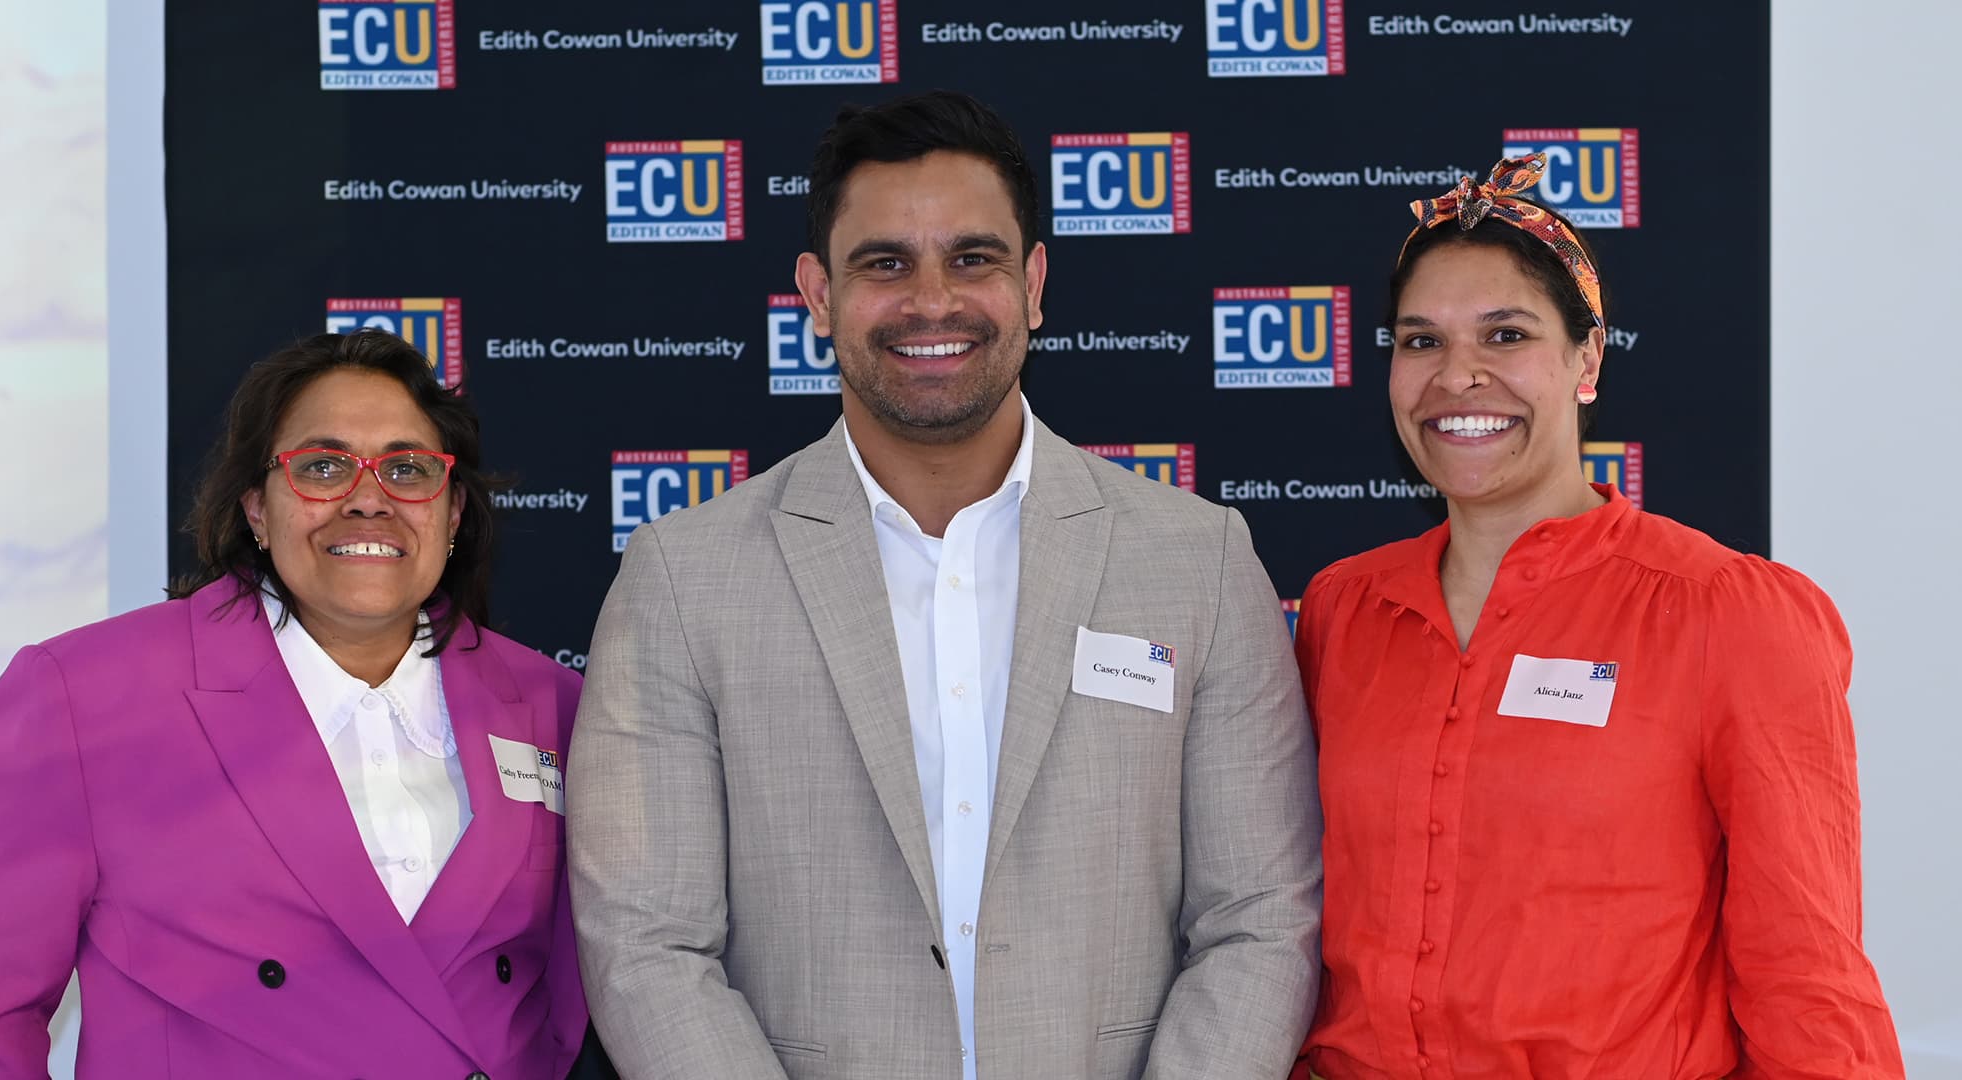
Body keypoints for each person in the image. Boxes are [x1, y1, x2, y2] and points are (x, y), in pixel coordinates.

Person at [569, 90, 1322, 1079]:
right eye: (885, 263)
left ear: (1035, 283)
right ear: (817, 293)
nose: (933, 301)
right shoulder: (683, 578)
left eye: (974, 259)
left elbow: (1260, 918)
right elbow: (646, 943)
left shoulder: (1198, 560)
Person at [1292, 156, 1904, 1078]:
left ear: (1587, 359)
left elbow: (1806, 972)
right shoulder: (1346, 609)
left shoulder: (1724, 614)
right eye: (1420, 342)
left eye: (1505, 335)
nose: (1456, 376)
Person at [0, 330, 589, 1078]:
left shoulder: (555, 706)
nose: (369, 500)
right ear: (257, 511)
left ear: (453, 512)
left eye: (408, 469)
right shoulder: (86, 695)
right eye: (323, 467)